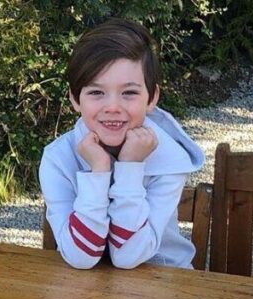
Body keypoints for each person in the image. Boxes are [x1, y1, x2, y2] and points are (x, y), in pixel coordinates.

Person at [39, 18, 204, 269]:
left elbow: (128, 256)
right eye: (96, 92)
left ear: (152, 98)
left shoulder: (170, 158)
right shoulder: (58, 159)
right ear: (75, 99)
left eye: (129, 93)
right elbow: (81, 257)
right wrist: (98, 171)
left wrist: (130, 167)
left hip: (165, 279)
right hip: (86, 286)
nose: (113, 107)